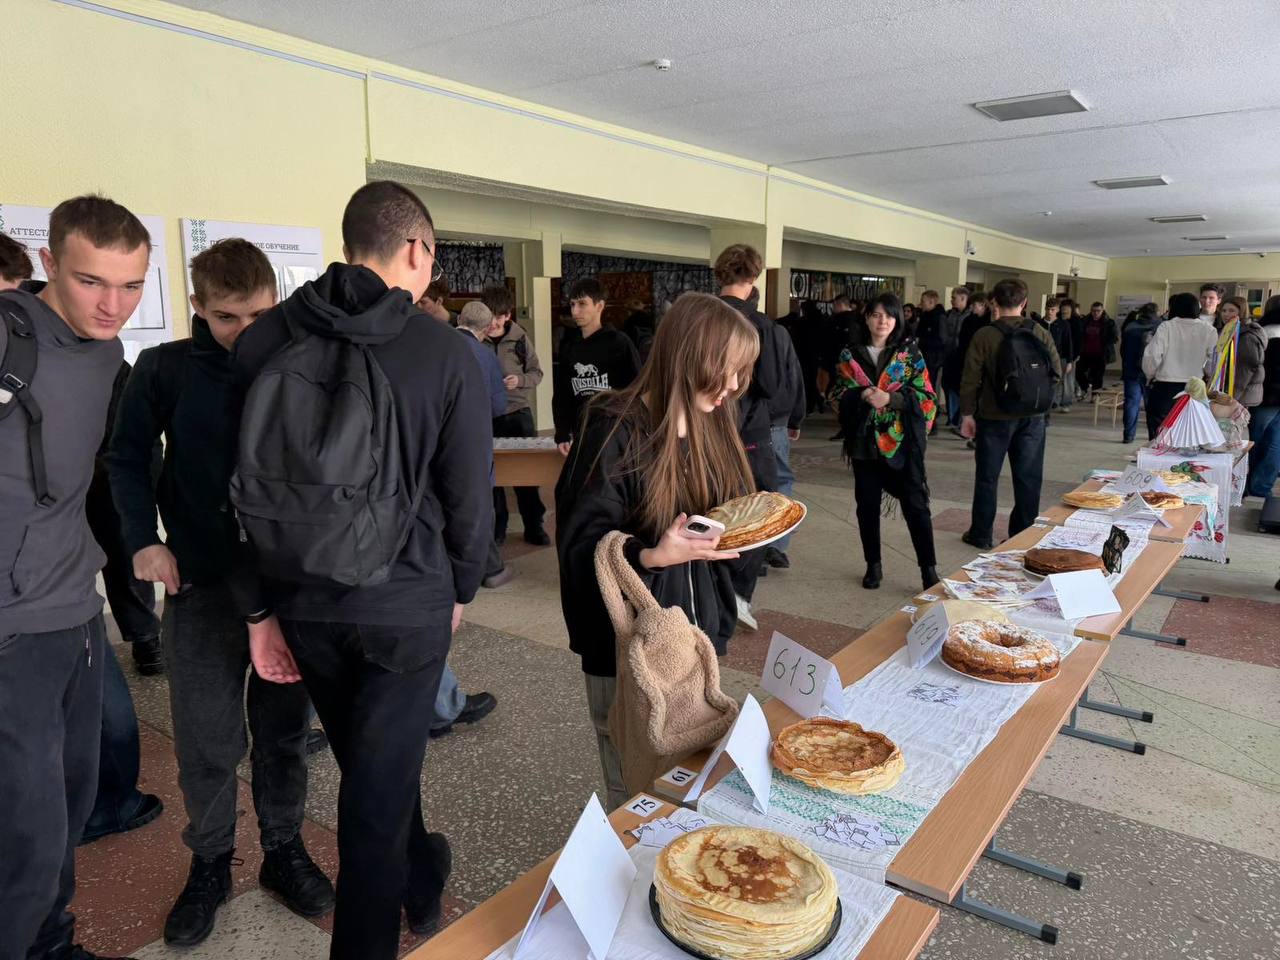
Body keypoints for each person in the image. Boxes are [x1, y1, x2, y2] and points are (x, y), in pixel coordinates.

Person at [230, 181, 492, 959]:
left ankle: (423, 871)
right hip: (406, 604)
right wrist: (461, 587)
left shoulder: (262, 341)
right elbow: (468, 495)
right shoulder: (444, 350)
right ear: (416, 248)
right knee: (373, 801)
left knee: (377, 764)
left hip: (301, 599)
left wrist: (258, 611)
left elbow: (229, 490)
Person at [109, 238, 332, 946]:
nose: (245, 331)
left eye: (259, 315)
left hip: (286, 587)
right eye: (227, 317)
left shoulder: (299, 363)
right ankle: (209, 860)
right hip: (201, 585)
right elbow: (126, 456)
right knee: (206, 738)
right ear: (198, 307)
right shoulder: (164, 367)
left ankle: (283, 847)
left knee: (284, 733)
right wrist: (143, 539)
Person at [0, 194, 151, 960]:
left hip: (76, 614)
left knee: (69, 804)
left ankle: (51, 945)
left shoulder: (107, 354)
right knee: (23, 835)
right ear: (50, 263)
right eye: (92, 281)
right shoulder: (9, 332)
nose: (112, 304)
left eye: (130, 286)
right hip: (10, 630)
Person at [555, 292, 757, 810]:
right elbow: (580, 548)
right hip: (630, 648)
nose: (734, 386)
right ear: (688, 358)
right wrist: (651, 557)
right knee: (636, 795)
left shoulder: (712, 424)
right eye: (726, 370)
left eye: (742, 372)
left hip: (693, 637)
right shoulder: (612, 427)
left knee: (691, 783)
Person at [79, 360, 164, 848]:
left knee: (126, 553)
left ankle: (146, 636)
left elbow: (137, 439)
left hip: (107, 471)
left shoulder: (108, 360)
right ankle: (110, 798)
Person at [835, 293, 938, 591]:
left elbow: (927, 397)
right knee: (866, 507)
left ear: (898, 320)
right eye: (877, 315)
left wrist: (891, 399)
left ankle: (928, 569)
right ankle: (873, 565)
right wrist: (861, 395)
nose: (883, 321)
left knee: (917, 505)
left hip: (902, 443)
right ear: (867, 318)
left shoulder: (909, 355)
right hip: (864, 444)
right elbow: (837, 395)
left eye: (889, 316)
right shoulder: (850, 355)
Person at [959, 278, 1062, 549]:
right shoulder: (1039, 332)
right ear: (1024, 302)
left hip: (994, 417)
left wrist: (967, 414)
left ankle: (981, 533)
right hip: (1032, 418)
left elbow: (970, 379)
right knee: (1029, 478)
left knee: (987, 477)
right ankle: (1021, 534)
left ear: (994, 302)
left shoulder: (984, 335)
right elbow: (1056, 373)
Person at [715, 245, 785, 628]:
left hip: (706, 430)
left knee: (713, 508)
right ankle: (739, 594)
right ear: (754, 277)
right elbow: (771, 385)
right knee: (762, 510)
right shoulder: (759, 324)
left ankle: (713, 590)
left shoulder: (701, 318)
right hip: (750, 432)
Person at [481, 285, 549, 546]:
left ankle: (534, 526)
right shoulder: (475, 338)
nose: (493, 323)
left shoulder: (520, 339)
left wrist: (519, 380)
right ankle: (498, 528)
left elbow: (537, 373)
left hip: (518, 413)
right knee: (492, 478)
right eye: (489, 316)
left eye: (499, 317)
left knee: (526, 476)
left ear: (508, 315)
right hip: (487, 416)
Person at [457, 299, 515, 590]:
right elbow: (497, 407)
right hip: (472, 439)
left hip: (432, 437)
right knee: (480, 503)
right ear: (485, 329)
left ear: (459, 319)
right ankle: (490, 568)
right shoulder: (484, 355)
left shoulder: (435, 346)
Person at [553, 277, 641, 455]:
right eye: (572, 304)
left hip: (616, 436)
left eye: (582, 304)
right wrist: (562, 433)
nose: (575, 311)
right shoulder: (569, 347)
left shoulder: (620, 343)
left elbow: (638, 389)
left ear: (599, 306)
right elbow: (562, 395)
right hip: (582, 435)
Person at [1141, 292, 1217, 440]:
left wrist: (1149, 375)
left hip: (1165, 387)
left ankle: (1160, 454)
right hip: (1195, 388)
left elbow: (1152, 355)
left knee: (1160, 433)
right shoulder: (1209, 329)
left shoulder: (1166, 327)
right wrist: (1207, 375)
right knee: (1191, 433)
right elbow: (1213, 361)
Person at [1246, 297, 1280, 498]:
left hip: (1265, 396)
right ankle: (1262, 487)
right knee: (1276, 444)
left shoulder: (1263, 332)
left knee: (1254, 441)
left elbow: (1254, 367)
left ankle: (1246, 483)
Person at [948, 292, 991, 437]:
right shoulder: (969, 320)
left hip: (981, 363)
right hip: (966, 360)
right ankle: (963, 424)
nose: (971, 308)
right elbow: (963, 343)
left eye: (974, 305)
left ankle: (973, 429)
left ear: (983, 305)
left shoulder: (989, 322)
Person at [1119, 303, 1161, 443]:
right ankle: (1153, 436)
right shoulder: (1160, 327)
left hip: (1131, 371)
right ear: (1156, 312)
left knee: (1131, 403)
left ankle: (1128, 435)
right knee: (1152, 406)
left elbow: (1123, 350)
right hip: (1152, 373)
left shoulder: (1130, 327)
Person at [1212, 296, 1265, 401]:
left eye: (1231, 311)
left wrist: (1232, 397)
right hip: (1229, 392)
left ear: (1242, 312)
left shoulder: (1246, 336)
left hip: (1241, 396)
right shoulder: (1227, 331)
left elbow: (1244, 370)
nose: (1226, 314)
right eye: (1224, 311)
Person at [939, 286, 971, 428]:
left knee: (959, 389)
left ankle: (959, 419)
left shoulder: (970, 316)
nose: (951, 300)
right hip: (948, 355)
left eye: (954, 298)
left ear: (963, 298)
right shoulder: (949, 314)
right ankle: (952, 417)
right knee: (947, 385)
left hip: (962, 358)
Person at [1075, 302, 1117, 400]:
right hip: (1085, 352)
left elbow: (1114, 337)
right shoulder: (1085, 321)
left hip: (1100, 354)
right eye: (1093, 311)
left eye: (1098, 311)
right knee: (1078, 372)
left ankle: (1095, 395)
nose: (1096, 313)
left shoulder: (1109, 322)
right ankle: (1085, 387)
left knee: (1098, 376)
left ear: (1102, 311)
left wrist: (1107, 341)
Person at [915, 289, 947, 394]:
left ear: (931, 302)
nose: (921, 303)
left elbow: (942, 340)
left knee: (930, 384)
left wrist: (923, 341)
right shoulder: (924, 315)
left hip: (933, 358)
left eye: (923, 301)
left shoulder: (940, 317)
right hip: (922, 356)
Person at [1060, 298, 1083, 404]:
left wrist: (1077, 354)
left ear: (1071, 309)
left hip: (1070, 354)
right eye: (1063, 308)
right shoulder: (1059, 320)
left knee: (1068, 378)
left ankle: (1066, 402)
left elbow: (1079, 340)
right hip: (1058, 353)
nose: (1064, 310)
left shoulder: (1076, 322)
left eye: (1067, 308)